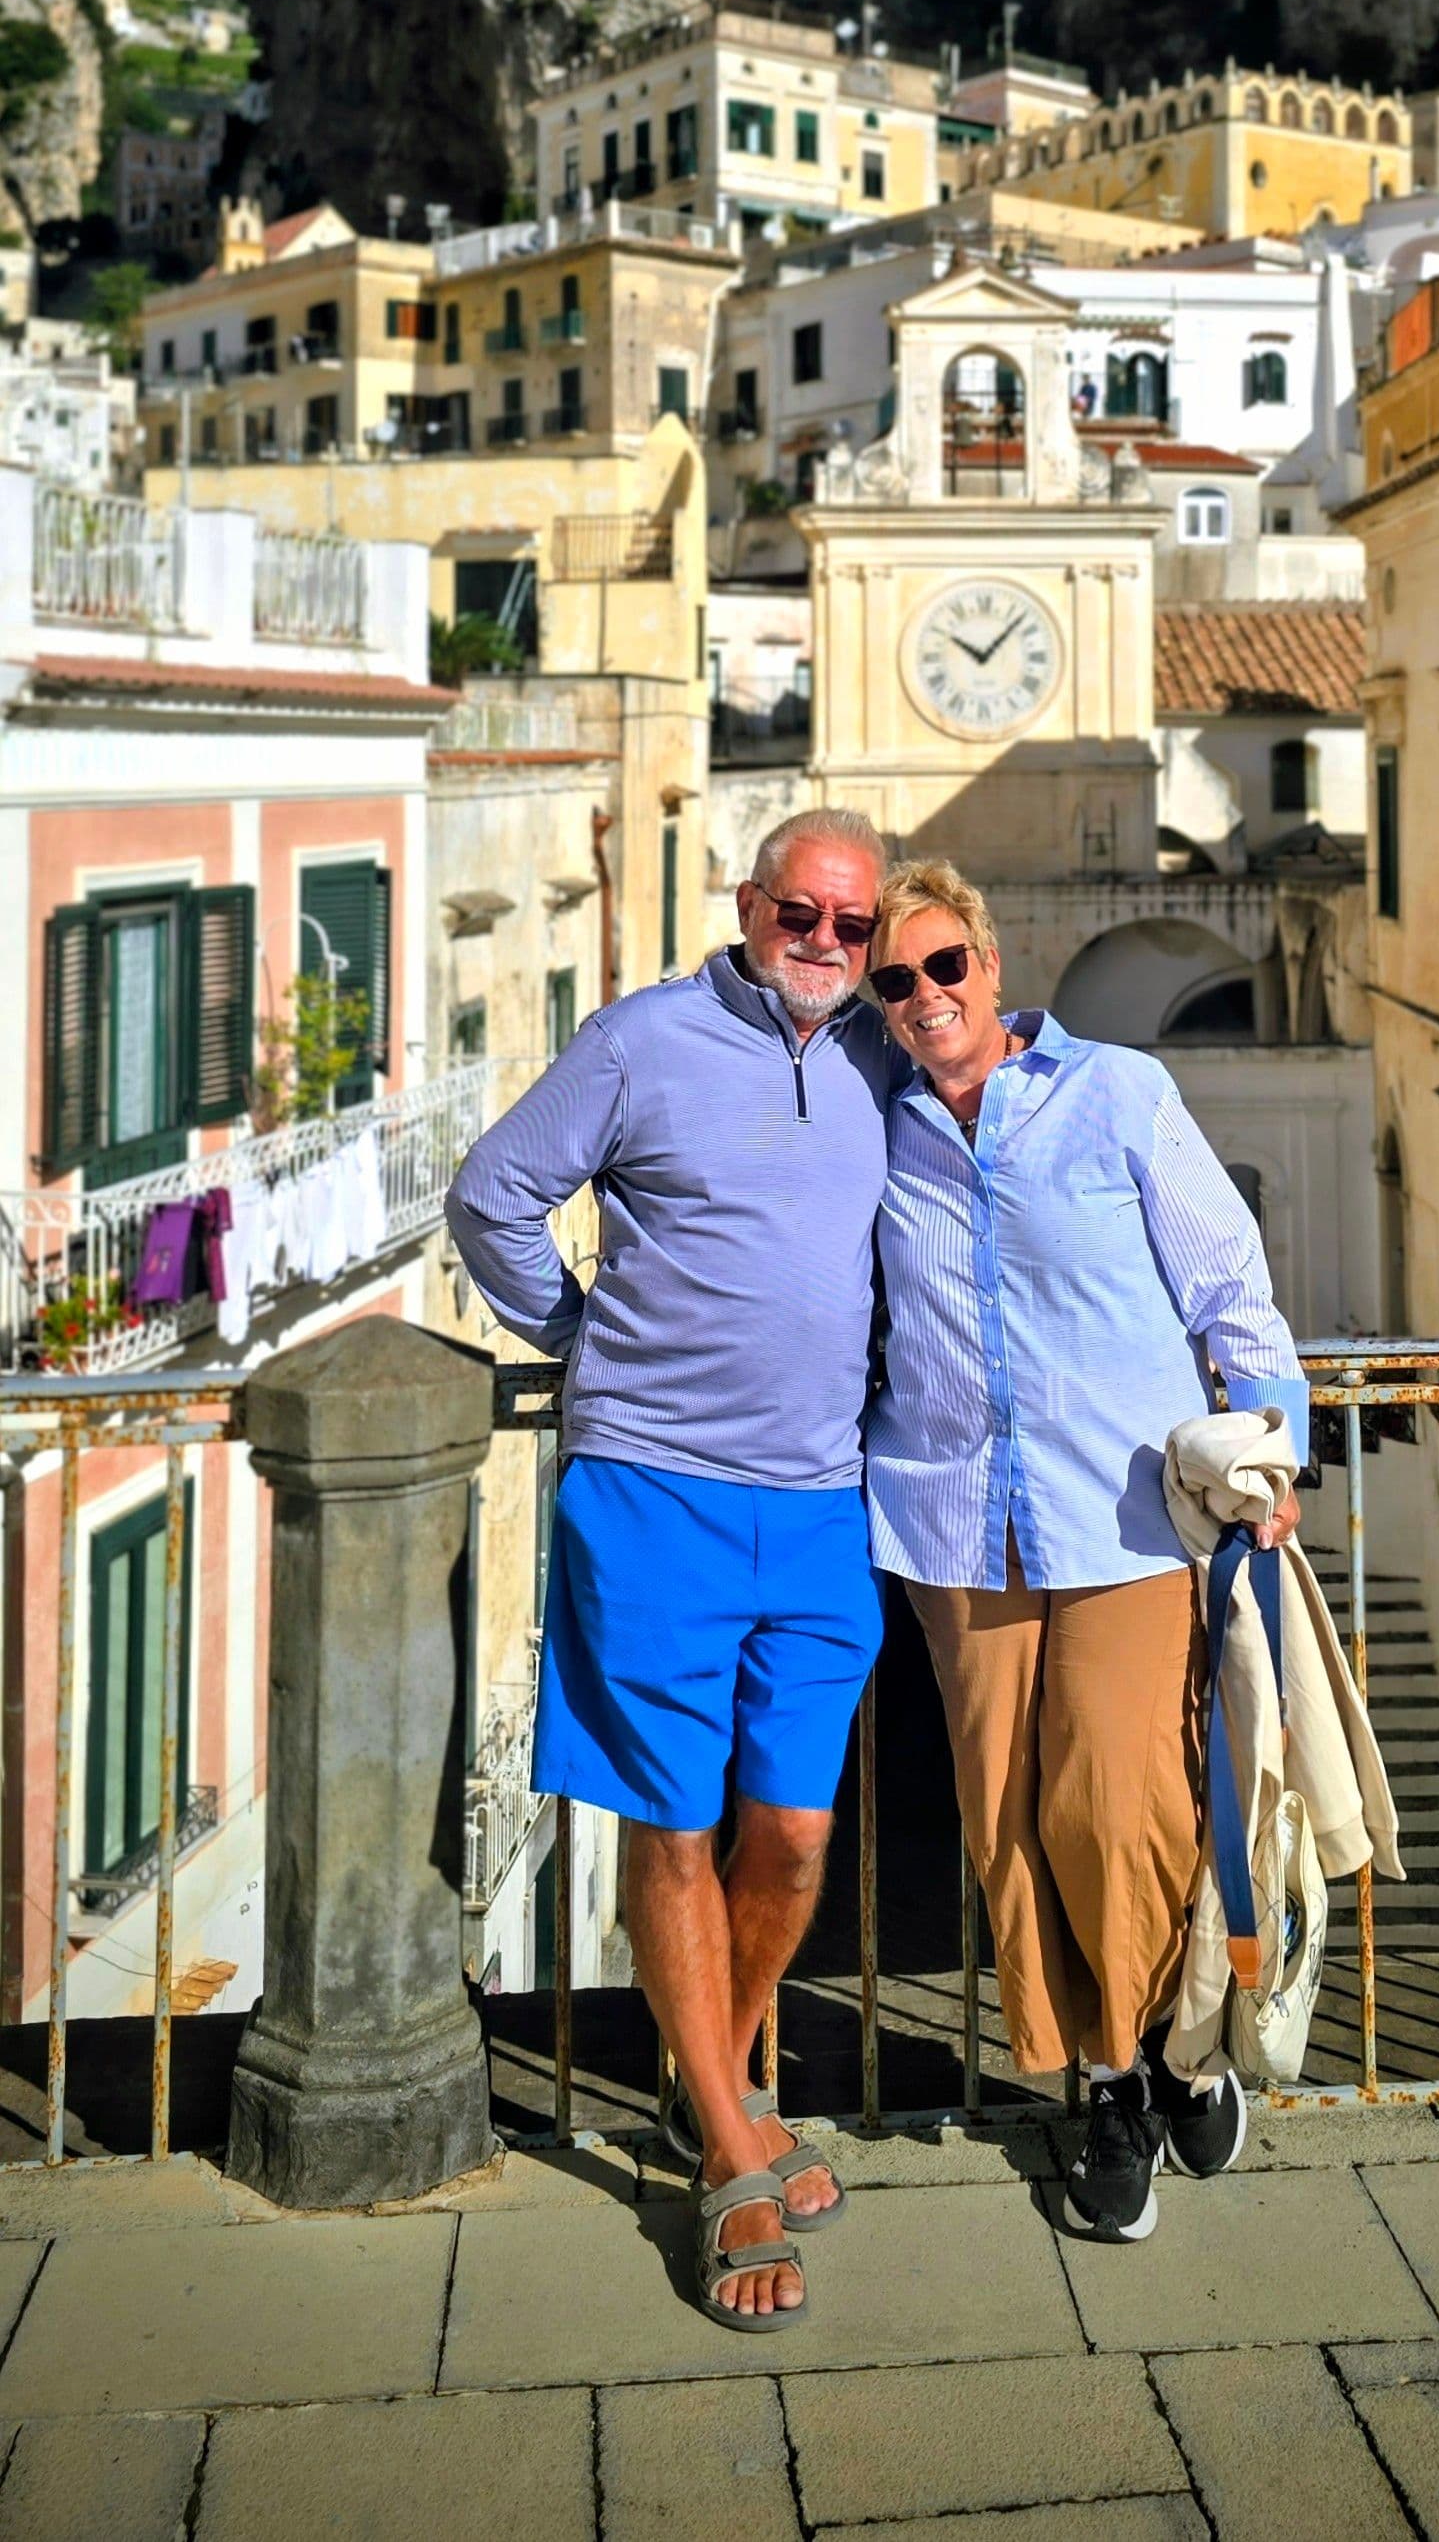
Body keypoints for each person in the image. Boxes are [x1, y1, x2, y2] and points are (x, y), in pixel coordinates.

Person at [445, 807, 893, 2331]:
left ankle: (709, 2100)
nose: (827, 947)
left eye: (854, 925)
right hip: (652, 1501)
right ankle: (728, 2156)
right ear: (752, 905)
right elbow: (493, 1192)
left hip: (823, 1510)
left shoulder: (874, 1052)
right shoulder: (642, 1042)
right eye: (802, 917)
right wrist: (577, 1344)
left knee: (795, 1842)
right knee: (678, 1834)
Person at [863, 857, 1309, 2246]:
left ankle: (1179, 2044)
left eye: (946, 967)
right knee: (1003, 1817)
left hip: (1120, 1514)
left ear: (992, 968)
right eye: (897, 980)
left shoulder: (1116, 1093)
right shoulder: (876, 1129)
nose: (926, 996)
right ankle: (1104, 2083)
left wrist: (1269, 1442)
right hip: (951, 1520)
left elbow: (1225, 1280)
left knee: (1119, 1798)